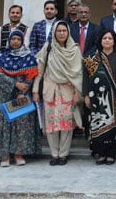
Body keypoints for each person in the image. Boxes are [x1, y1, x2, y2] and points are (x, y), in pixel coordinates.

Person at [0, 31, 42, 166]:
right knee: (3, 124)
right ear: (9, 40)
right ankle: (4, 156)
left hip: (22, 94)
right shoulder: (1, 56)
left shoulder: (29, 57)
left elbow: (32, 74)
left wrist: (24, 88)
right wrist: (15, 83)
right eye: (13, 39)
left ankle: (18, 154)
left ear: (22, 41)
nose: (15, 41)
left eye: (18, 39)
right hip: (3, 94)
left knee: (20, 124)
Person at [33, 21, 83, 166]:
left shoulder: (74, 50)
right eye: (59, 31)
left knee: (66, 124)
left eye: (64, 31)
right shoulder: (47, 48)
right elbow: (40, 71)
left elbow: (78, 74)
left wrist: (77, 93)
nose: (61, 33)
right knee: (51, 124)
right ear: (54, 33)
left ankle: (63, 154)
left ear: (68, 33)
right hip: (50, 90)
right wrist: (35, 90)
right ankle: (54, 154)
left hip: (67, 91)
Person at [83, 30, 116, 165]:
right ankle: (100, 153)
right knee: (98, 125)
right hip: (96, 99)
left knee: (113, 127)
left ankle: (111, 153)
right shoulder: (92, 57)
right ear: (100, 40)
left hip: (114, 99)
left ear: (114, 41)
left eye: (110, 38)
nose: (107, 40)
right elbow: (85, 78)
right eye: (104, 38)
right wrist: (86, 95)